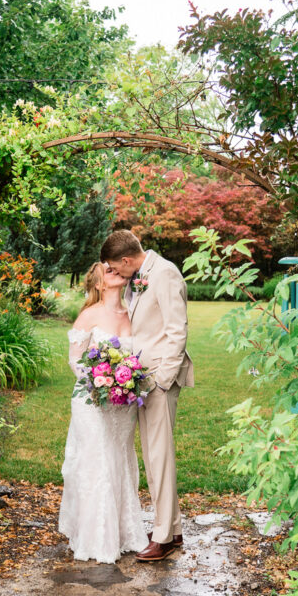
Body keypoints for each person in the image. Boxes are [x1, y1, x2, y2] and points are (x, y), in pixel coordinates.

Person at [100, 230, 194, 562]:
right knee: (154, 456)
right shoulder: (138, 276)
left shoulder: (165, 273)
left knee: (159, 456)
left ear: (127, 260)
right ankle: (175, 527)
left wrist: (163, 380)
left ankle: (164, 537)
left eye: (116, 268)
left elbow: (176, 330)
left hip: (159, 380)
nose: (117, 274)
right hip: (142, 380)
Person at [59, 261, 149, 563]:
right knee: (97, 461)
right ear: (99, 283)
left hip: (124, 404)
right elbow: (75, 361)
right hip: (93, 401)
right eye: (108, 270)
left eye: (117, 268)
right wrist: (105, 380)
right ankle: (96, 538)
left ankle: (124, 533)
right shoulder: (90, 314)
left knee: (120, 458)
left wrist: (126, 383)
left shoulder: (134, 313)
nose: (116, 271)